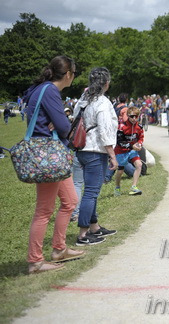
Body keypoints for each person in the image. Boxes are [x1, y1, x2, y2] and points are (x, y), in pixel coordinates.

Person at [22, 55, 84, 274]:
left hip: (55, 155)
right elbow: (64, 127)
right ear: (68, 74)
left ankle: (59, 249)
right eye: (74, 73)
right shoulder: (49, 91)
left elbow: (55, 123)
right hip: (48, 156)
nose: (74, 77)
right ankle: (35, 261)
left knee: (70, 201)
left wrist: (56, 124)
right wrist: (60, 124)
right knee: (44, 210)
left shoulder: (42, 89)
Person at [73, 67, 119, 246]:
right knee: (91, 193)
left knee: (90, 191)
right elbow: (105, 131)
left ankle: (94, 227)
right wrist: (112, 156)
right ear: (106, 83)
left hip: (81, 149)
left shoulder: (83, 99)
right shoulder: (102, 102)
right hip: (95, 151)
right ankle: (83, 234)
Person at [114, 106, 144, 196]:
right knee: (120, 171)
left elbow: (141, 138)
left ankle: (134, 187)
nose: (134, 119)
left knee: (139, 164)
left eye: (136, 116)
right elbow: (119, 142)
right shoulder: (121, 127)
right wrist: (131, 146)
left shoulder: (139, 127)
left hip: (132, 150)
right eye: (132, 116)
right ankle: (117, 187)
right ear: (128, 116)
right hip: (121, 151)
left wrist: (139, 144)